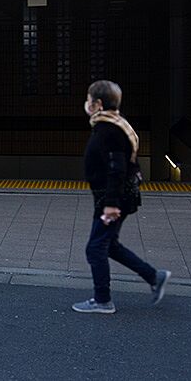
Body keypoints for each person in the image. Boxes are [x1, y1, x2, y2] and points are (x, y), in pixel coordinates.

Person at [73, 80, 171, 315]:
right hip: (115, 197)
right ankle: (154, 276)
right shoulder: (114, 124)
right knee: (109, 245)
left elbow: (117, 168)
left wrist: (111, 205)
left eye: (88, 100)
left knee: (95, 248)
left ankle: (102, 299)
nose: (86, 104)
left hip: (112, 199)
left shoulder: (109, 130)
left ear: (97, 103)